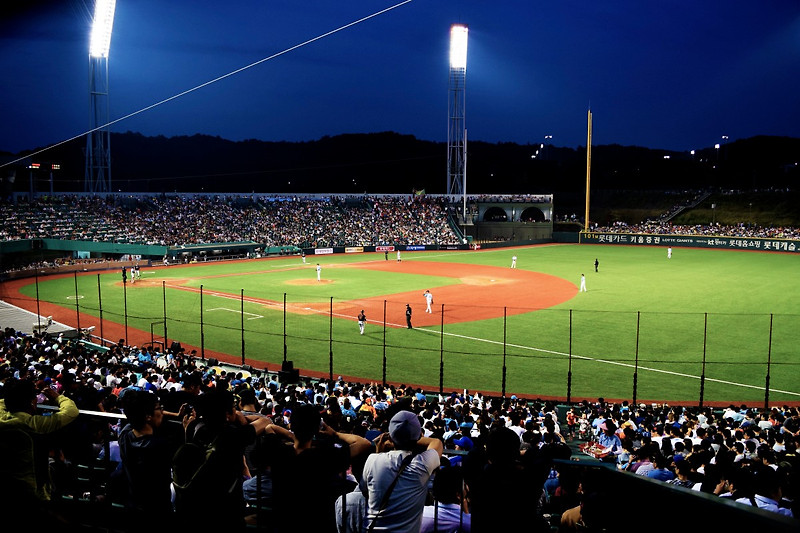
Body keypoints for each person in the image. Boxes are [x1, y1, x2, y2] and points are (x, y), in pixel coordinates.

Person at [0, 378, 79, 510]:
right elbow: (71, 411)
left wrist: (13, 395)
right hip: (31, 491)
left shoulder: (2, 417)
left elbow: (3, 402)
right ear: (32, 402)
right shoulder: (35, 424)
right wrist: (58, 397)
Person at [360, 410, 443, 532]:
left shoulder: (372, 459)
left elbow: (365, 491)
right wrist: (413, 436)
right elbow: (436, 442)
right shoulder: (422, 465)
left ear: (391, 436)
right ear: (419, 435)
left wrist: (393, 438)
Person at [118, 390, 184, 519]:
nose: (162, 412)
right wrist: (186, 430)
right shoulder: (160, 446)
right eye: (159, 409)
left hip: (133, 503)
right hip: (157, 508)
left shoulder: (125, 436)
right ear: (148, 416)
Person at [420, 465, 471, 533]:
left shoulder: (422, 513)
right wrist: (466, 513)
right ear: (458, 494)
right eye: (464, 485)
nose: (467, 487)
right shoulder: (463, 521)